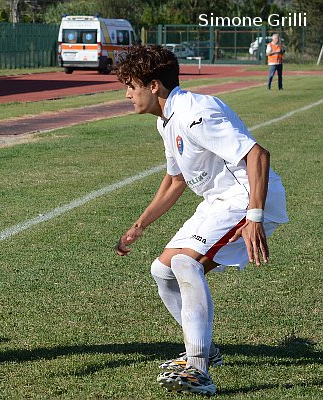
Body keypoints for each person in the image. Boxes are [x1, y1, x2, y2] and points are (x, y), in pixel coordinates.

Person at [114, 45, 288, 395]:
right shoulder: (167, 120)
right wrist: (140, 225)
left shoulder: (195, 111)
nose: (127, 94)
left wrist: (253, 215)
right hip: (218, 201)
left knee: (183, 263)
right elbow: (175, 180)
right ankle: (206, 349)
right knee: (162, 269)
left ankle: (198, 368)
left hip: (246, 197)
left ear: (153, 86)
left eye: (131, 85)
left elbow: (257, 154)